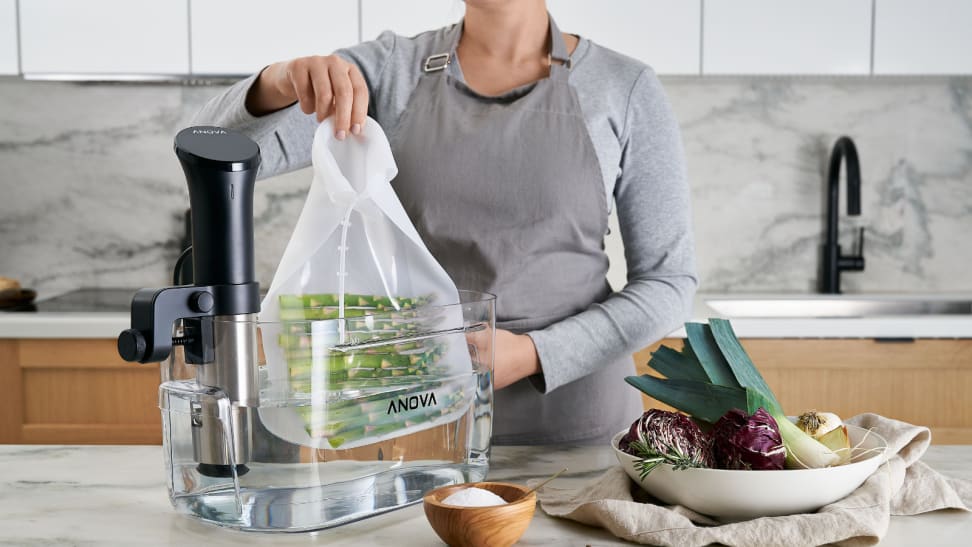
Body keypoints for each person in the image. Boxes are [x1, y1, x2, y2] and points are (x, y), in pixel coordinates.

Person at [194, 0, 697, 445]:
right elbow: (206, 145)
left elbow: (668, 284)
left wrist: (534, 353)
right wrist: (278, 82)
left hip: (577, 432)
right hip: (413, 427)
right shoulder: (390, 71)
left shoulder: (623, 88)